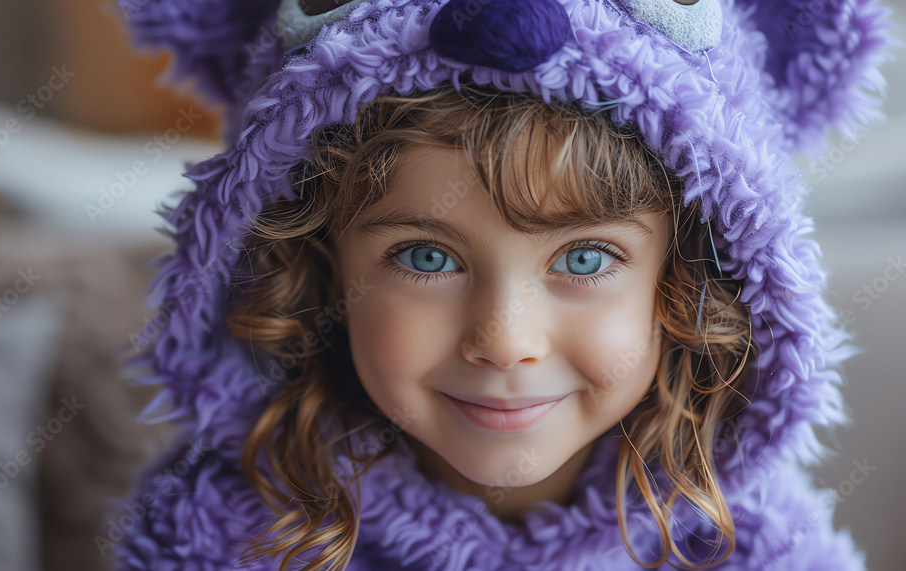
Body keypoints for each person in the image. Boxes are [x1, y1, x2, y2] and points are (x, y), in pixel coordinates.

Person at [112, 0, 894, 569]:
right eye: (426, 258)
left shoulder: (757, 548)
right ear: (316, 269)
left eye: (584, 260)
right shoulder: (223, 538)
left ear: (688, 285)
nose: (505, 340)